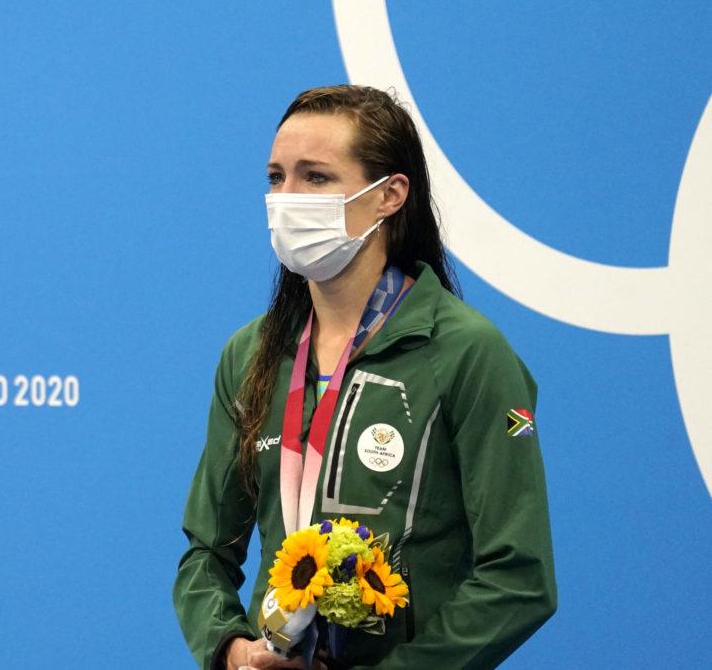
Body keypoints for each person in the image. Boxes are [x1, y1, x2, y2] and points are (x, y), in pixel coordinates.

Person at [173, 85, 557, 670]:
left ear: (390, 195)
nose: (286, 199)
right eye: (276, 177)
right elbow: (206, 550)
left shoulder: (466, 353)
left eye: (316, 177)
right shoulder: (250, 354)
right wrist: (231, 650)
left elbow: (519, 576)